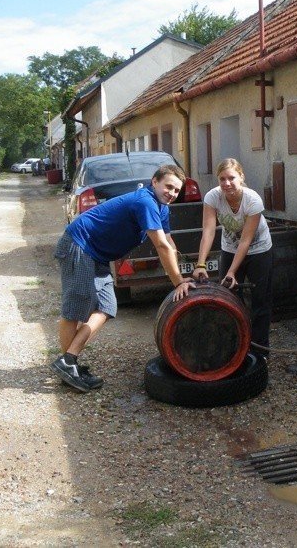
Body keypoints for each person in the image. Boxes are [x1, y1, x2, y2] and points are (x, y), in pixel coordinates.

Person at [52, 164, 195, 392]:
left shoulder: (162, 207)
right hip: (79, 244)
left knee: (107, 306)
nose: (172, 193)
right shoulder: (145, 201)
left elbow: (169, 244)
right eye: (168, 186)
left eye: (177, 190)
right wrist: (177, 282)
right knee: (75, 309)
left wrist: (187, 272)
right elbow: (159, 245)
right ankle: (68, 364)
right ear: (154, 182)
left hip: (98, 254)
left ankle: (68, 360)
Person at [193, 158, 274, 355]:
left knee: (260, 302)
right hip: (229, 249)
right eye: (222, 179)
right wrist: (201, 264)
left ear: (241, 177)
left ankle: (260, 351)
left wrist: (231, 272)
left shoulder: (253, 200)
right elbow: (209, 231)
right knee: (229, 300)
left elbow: (245, 241)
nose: (226, 183)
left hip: (259, 250)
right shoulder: (213, 197)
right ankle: (235, 347)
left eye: (231, 178)